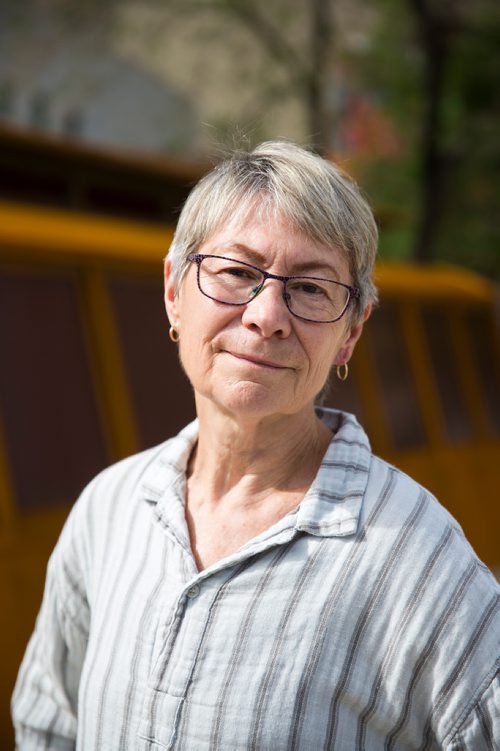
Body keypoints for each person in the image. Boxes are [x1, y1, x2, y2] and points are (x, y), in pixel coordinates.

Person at [12, 141, 499, 750]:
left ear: (350, 335)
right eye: (237, 273)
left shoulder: (420, 564)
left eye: (311, 289)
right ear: (173, 290)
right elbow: (48, 728)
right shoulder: (107, 511)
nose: (266, 315)